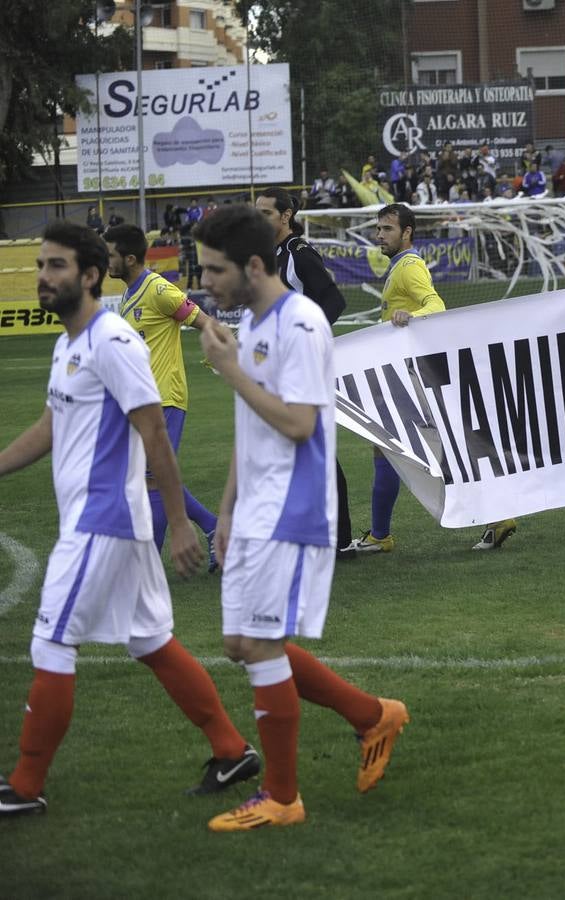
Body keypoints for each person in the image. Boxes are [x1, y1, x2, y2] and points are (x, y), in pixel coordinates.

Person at [0, 222, 259, 819]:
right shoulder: (68, 344)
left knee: (51, 640)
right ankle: (231, 749)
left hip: (103, 520)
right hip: (102, 521)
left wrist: (181, 520)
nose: (44, 276)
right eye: (41, 265)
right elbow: (50, 425)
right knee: (150, 640)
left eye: (57, 266)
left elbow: (153, 432)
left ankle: (25, 783)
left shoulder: (113, 341)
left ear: (89, 276)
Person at [193, 205, 409, 831]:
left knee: (258, 642)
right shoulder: (255, 324)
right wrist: (226, 511)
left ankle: (282, 798)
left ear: (253, 265)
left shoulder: (302, 323)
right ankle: (372, 715)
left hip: (291, 507)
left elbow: (299, 423)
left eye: (214, 269)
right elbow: (250, 427)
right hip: (256, 506)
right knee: (242, 642)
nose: (204, 282)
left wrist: (231, 372)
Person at [342, 204, 460, 553]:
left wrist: (412, 315)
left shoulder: (409, 266)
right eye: (378, 229)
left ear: (406, 232)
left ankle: (381, 535)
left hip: (409, 373)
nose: (380, 235)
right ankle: (380, 534)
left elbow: (435, 305)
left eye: (387, 229)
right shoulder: (401, 266)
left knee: (425, 450)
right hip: (400, 370)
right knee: (388, 448)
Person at [103, 223, 220, 568]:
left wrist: (219, 353)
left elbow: (205, 322)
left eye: (110, 255)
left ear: (129, 257)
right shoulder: (127, 296)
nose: (105, 261)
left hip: (164, 398)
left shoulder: (158, 289)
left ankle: (147, 566)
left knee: (153, 480)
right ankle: (214, 528)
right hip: (141, 402)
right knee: (151, 477)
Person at [255, 188, 353, 557]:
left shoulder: (299, 253)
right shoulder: (272, 255)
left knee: (315, 451)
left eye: (266, 213)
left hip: (303, 367)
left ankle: (338, 540)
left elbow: (334, 300)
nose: (260, 219)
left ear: (286, 216)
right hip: (280, 368)